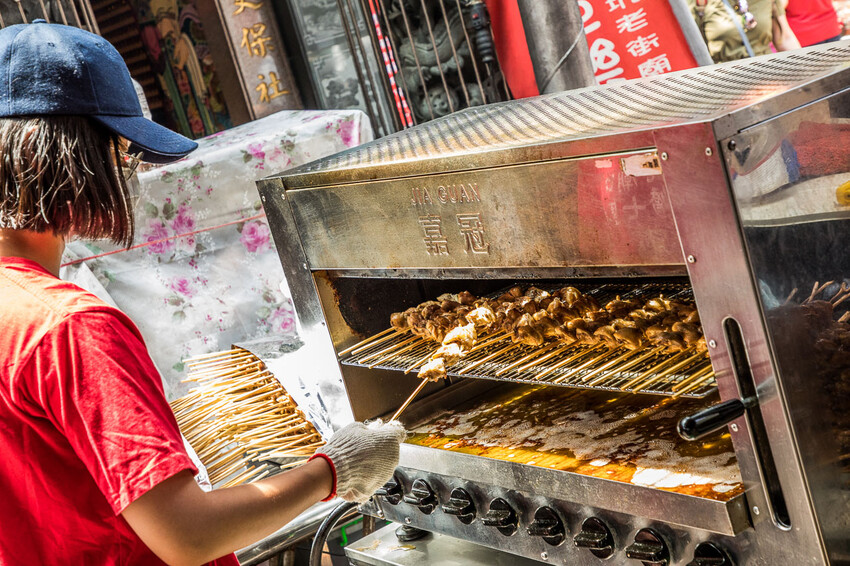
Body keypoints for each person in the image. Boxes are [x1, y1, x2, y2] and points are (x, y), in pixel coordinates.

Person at [0, 21, 405, 566]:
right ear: (71, 158)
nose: (127, 175)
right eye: (121, 154)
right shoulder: (68, 327)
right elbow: (187, 535)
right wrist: (332, 471)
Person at [689, 0, 801, 62]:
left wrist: (807, 73)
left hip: (770, 80)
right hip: (729, 88)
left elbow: (785, 39)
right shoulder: (699, 3)